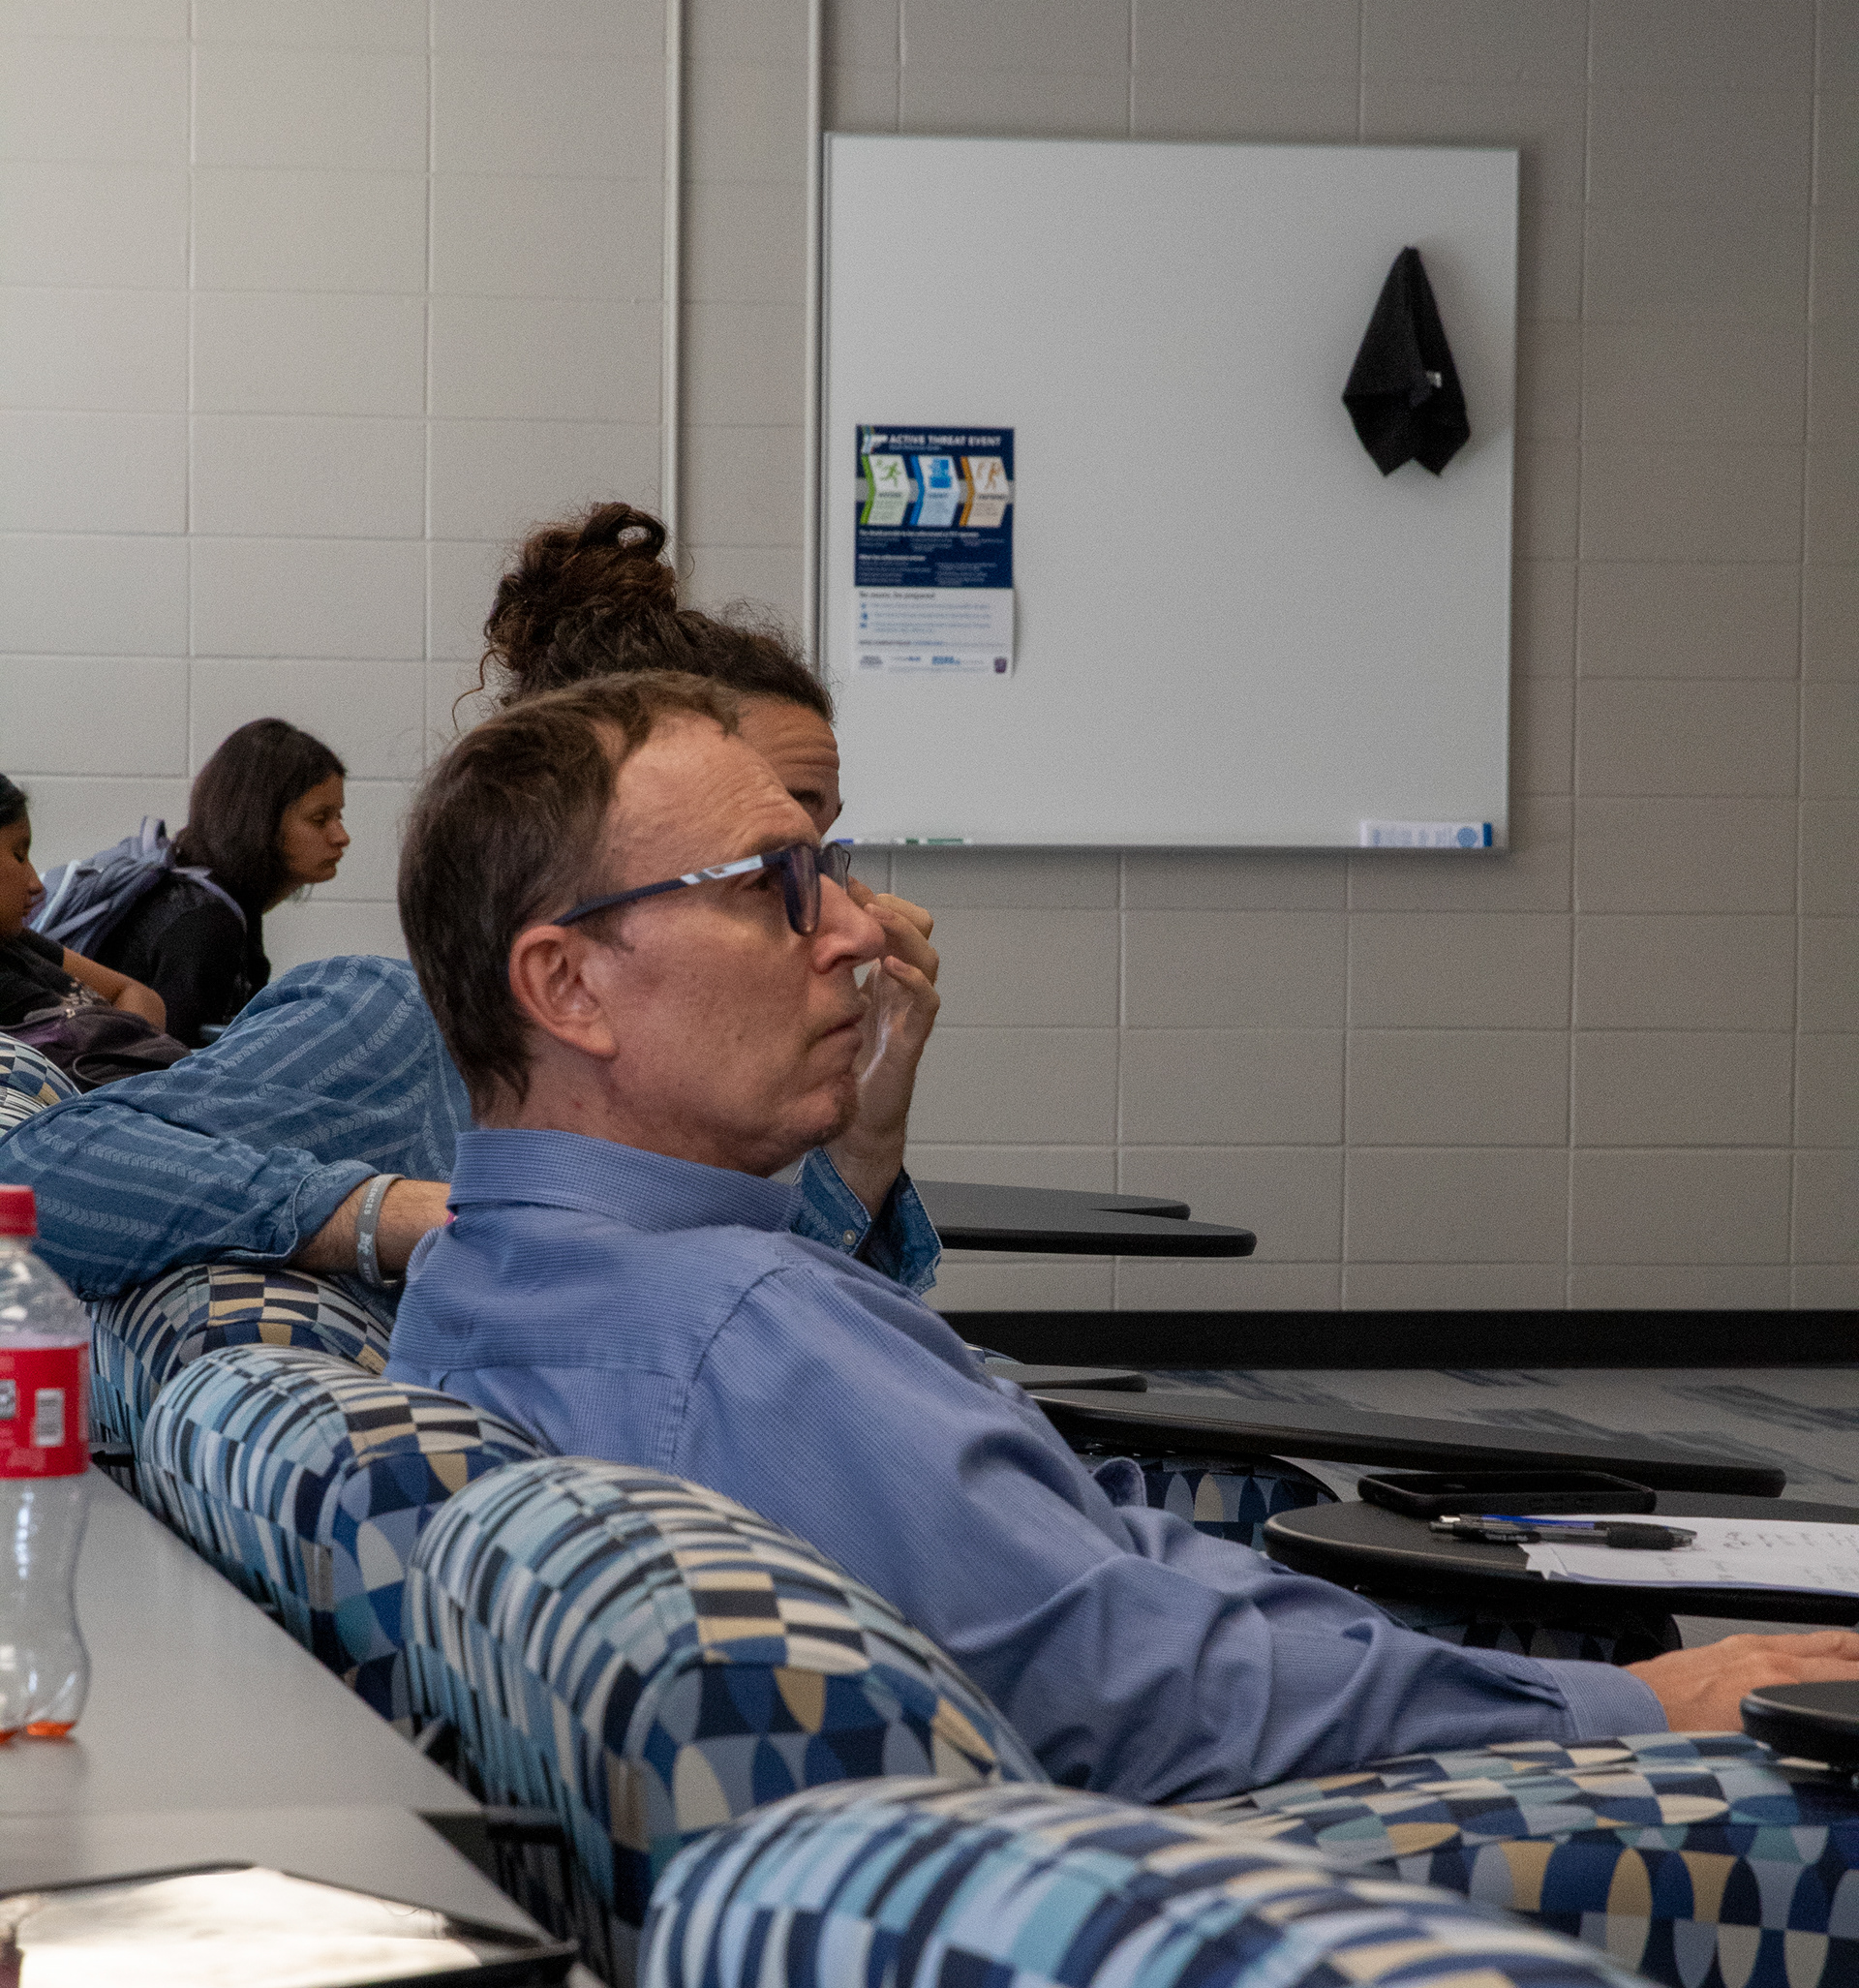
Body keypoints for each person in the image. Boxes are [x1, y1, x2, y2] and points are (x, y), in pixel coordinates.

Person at [386, 670, 1859, 1793]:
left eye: (830, 868)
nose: (857, 930)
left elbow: (1095, 1587)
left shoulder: (477, 1275)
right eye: (776, 888)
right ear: (567, 987)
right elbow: (1142, 1693)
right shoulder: (747, 1331)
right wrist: (1630, 1709)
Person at [1, 526, 940, 1301]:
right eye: (768, 863)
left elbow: (780, 1340)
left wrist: (864, 1138)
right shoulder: (399, 1024)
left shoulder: (706, 1088)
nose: (852, 919)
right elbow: (36, 1181)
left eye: (822, 849)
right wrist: (404, 1215)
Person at [84, 720, 350, 1048]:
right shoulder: (206, 923)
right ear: (258, 820)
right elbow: (175, 1066)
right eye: (320, 819)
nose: (342, 836)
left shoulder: (208, 898)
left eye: (339, 816)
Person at [0, 776, 182, 1082]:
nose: (36, 884)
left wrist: (130, 1053)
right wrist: (132, 1051)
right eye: (19, 856)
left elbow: (135, 993)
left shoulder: (17, 940)